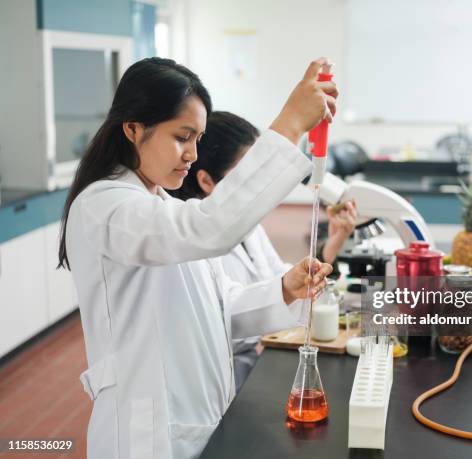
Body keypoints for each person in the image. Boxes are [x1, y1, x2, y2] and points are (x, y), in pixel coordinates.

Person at [58, 57, 337, 459]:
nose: (191, 154)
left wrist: (283, 290)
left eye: (197, 140)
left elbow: (218, 309)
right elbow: (211, 228)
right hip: (147, 437)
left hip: (194, 421)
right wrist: (291, 122)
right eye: (182, 136)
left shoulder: (162, 207)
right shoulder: (105, 206)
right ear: (134, 128)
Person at [171, 111, 357, 390]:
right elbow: (227, 315)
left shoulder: (247, 226)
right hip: (225, 378)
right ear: (207, 181)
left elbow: (278, 275)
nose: (258, 186)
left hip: (258, 360)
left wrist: (328, 249)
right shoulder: (191, 244)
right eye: (246, 176)